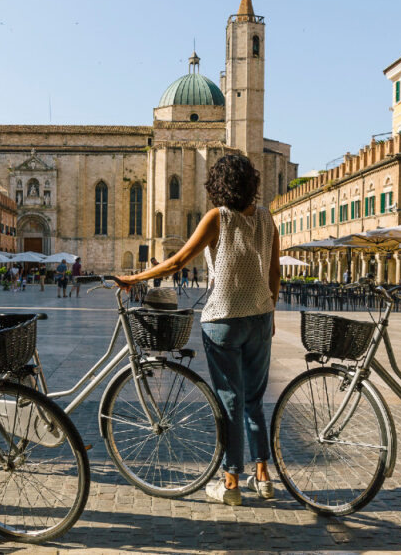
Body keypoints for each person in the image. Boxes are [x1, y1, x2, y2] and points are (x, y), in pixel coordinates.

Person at [116, 155, 280, 506]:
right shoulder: (267, 218)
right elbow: (274, 272)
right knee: (254, 400)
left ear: (217, 185)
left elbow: (176, 262)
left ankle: (231, 480)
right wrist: (272, 311)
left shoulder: (217, 217)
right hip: (261, 316)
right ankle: (264, 475)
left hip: (223, 318)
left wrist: (132, 278)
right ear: (251, 182)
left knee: (229, 401)